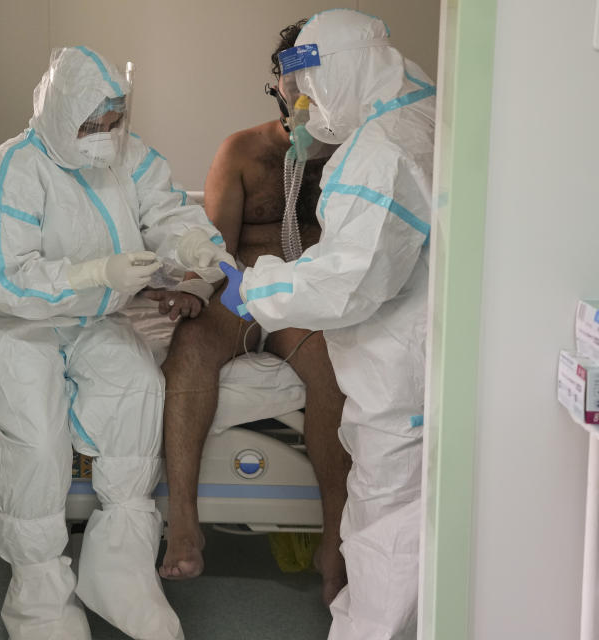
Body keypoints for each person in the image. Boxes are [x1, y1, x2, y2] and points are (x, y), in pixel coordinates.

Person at [0, 46, 231, 640]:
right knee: (33, 435)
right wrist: (94, 274)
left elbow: (168, 209)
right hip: (12, 325)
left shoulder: (128, 157)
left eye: (112, 123)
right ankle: (40, 598)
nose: (103, 137)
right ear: (56, 115)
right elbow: (5, 279)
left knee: (136, 387)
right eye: (89, 125)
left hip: (94, 317)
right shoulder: (7, 174)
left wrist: (193, 247)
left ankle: (120, 569)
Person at [218, 9, 436, 640]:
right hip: (416, 353)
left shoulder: (380, 151)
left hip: (400, 376)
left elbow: (348, 279)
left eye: (309, 89)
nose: (303, 106)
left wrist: (251, 286)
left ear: (340, 71)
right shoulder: (423, 110)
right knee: (393, 530)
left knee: (387, 528)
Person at [155, 20, 352, 605]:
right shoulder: (243, 151)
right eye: (296, 85)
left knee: (336, 373)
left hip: (309, 295)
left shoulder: (362, 157)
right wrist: (196, 287)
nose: (305, 97)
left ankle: (334, 540)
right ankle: (184, 523)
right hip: (244, 286)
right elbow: (216, 245)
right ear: (281, 86)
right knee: (188, 349)